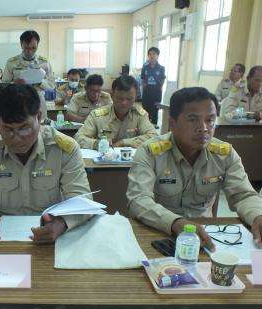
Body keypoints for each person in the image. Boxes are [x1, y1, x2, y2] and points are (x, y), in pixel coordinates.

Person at [0, 84, 91, 244]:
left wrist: (61, 223)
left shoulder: (64, 149)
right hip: (1, 240)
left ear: (39, 118)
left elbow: (82, 200)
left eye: (24, 128)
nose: (16, 138)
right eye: (7, 130)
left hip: (53, 239)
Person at [126, 87, 262, 250]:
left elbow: (243, 195)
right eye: (193, 120)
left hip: (206, 237)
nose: (203, 127)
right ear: (172, 124)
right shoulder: (151, 152)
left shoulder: (224, 154)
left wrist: (257, 216)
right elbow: (138, 199)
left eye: (210, 120)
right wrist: (175, 222)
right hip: (158, 231)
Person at [74, 75, 157, 149]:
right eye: (120, 98)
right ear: (112, 95)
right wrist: (96, 143)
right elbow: (78, 137)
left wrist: (124, 143)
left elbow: (153, 137)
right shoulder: (97, 115)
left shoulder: (140, 115)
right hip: (102, 163)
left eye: (129, 99)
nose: (124, 103)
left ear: (135, 98)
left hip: (131, 164)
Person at [2, 30, 55, 120]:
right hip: (18, 101)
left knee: (40, 128)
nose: (30, 51)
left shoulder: (44, 63)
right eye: (26, 48)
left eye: (33, 48)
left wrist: (40, 82)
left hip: (38, 101)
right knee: (19, 127)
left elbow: (52, 86)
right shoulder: (12, 62)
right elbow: (3, 85)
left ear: (38, 45)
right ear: (21, 44)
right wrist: (14, 84)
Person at [141, 47, 165, 128]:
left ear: (157, 55)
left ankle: (154, 124)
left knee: (155, 108)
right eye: (150, 54)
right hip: (147, 91)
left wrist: (159, 88)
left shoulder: (161, 68)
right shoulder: (145, 67)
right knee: (146, 108)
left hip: (156, 91)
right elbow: (143, 80)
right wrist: (143, 90)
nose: (152, 56)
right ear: (148, 56)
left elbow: (162, 80)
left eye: (154, 54)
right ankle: (146, 125)